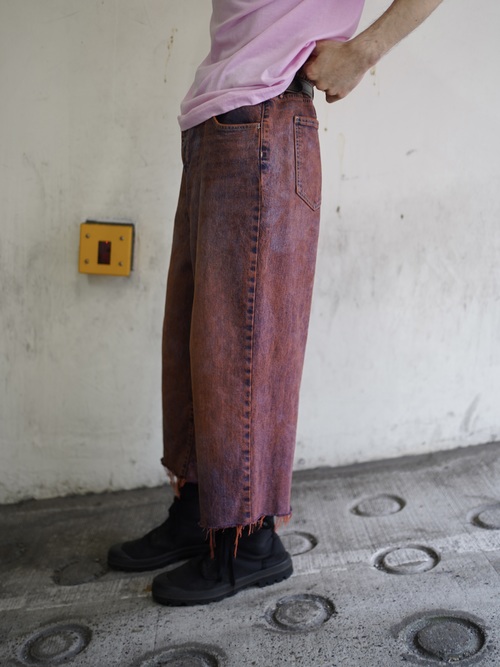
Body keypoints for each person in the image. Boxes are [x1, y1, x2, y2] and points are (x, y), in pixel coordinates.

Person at [108, 0, 443, 606]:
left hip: (264, 116)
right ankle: (199, 511)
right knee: (195, 338)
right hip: (216, 117)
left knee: (242, 343)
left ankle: (249, 542)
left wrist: (362, 52)